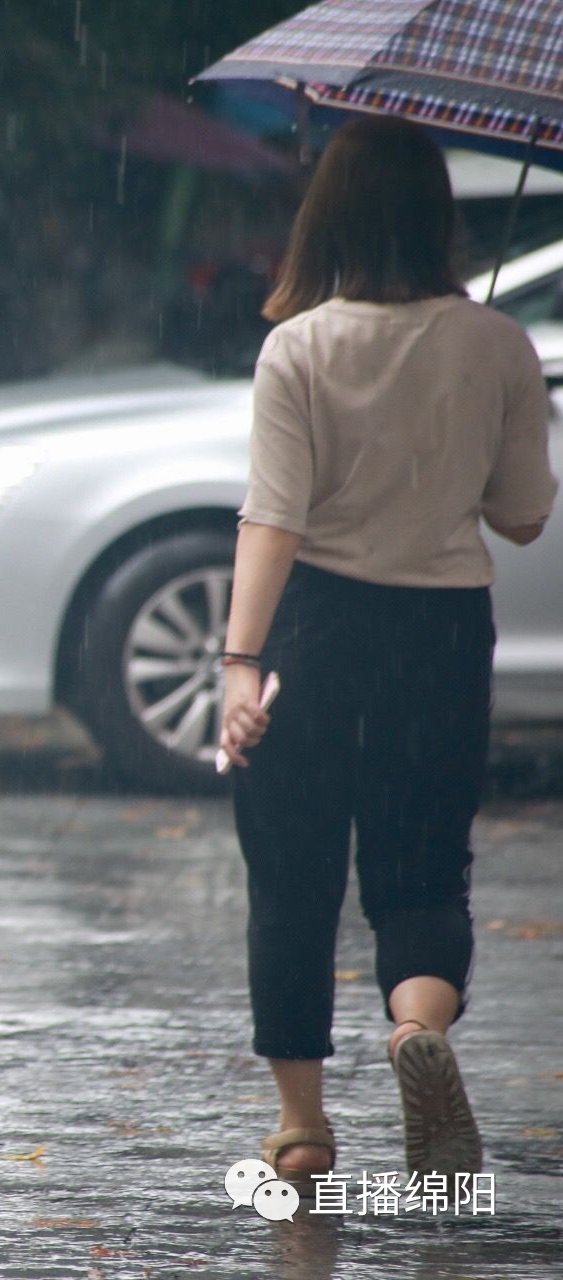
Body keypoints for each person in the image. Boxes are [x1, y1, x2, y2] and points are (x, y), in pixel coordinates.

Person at [219, 116, 556, 1191]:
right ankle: (419, 1024)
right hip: (442, 633)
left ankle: (303, 1125)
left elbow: (272, 518)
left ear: (332, 215)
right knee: (422, 868)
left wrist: (239, 664)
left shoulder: (299, 347)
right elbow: (524, 515)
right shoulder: (498, 342)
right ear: (438, 217)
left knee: (293, 877)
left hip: (316, 630)